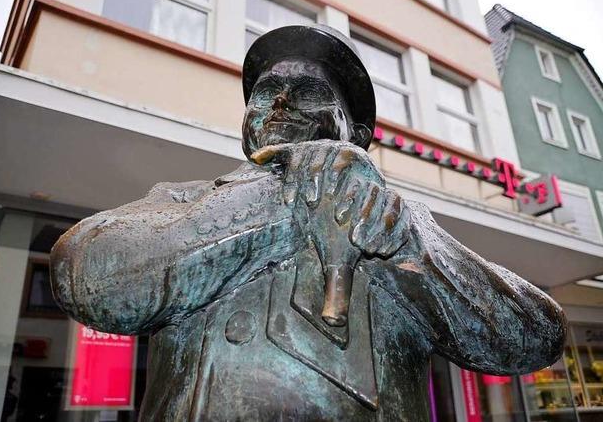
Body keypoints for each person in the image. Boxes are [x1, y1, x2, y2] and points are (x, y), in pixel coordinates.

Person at [50, 25, 566, 421]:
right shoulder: (186, 201)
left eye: (307, 92)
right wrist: (287, 200)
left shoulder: (400, 224)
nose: (279, 102)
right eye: (266, 91)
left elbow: (536, 337)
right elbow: (86, 280)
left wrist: (408, 242)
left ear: (355, 132)